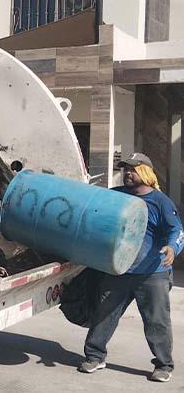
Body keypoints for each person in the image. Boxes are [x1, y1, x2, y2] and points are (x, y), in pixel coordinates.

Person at [79, 152, 183, 382]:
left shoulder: (161, 201)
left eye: (133, 169)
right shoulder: (115, 196)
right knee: (104, 314)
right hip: (120, 270)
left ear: (145, 172)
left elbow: (176, 230)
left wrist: (172, 248)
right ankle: (95, 356)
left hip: (152, 272)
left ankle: (163, 364)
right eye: (125, 169)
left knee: (157, 322)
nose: (128, 173)